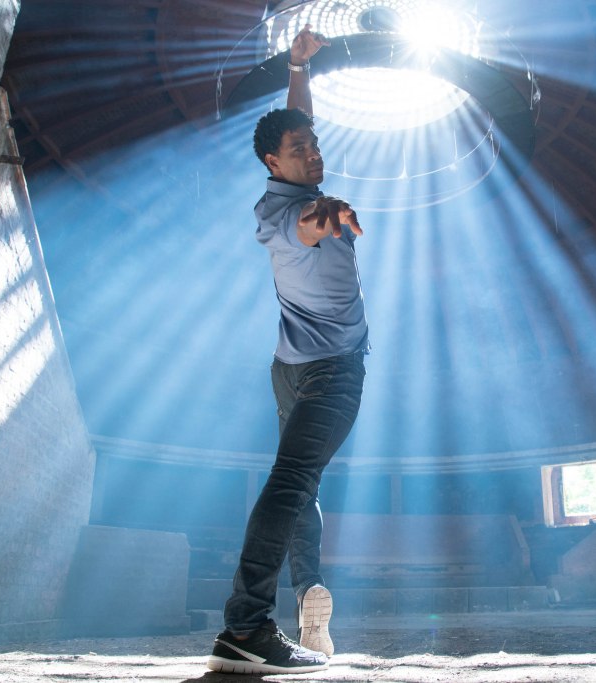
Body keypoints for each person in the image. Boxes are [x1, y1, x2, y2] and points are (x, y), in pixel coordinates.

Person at [207, 25, 369, 676]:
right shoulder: (285, 213)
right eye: (298, 150)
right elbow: (304, 227)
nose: (312, 152)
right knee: (292, 482)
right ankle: (247, 627)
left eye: (315, 145)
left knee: (300, 485)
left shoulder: (294, 184)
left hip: (290, 370)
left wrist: (299, 67)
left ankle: (308, 594)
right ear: (272, 163)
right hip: (330, 372)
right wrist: (326, 216)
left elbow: (300, 122)